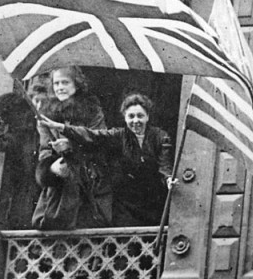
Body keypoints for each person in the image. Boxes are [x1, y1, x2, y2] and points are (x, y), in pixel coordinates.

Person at [40, 92, 176, 227]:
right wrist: (62, 128)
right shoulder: (119, 135)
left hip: (153, 199)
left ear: (147, 117)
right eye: (131, 116)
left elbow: (164, 164)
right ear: (125, 118)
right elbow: (92, 135)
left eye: (140, 116)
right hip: (127, 204)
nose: (136, 121)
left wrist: (168, 178)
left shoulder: (160, 137)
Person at [33, 66, 113, 230]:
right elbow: (45, 150)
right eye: (56, 84)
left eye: (65, 82)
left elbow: (100, 141)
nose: (60, 87)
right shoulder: (46, 115)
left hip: (88, 182)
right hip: (60, 186)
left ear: (76, 84)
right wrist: (51, 168)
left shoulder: (92, 111)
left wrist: (73, 146)